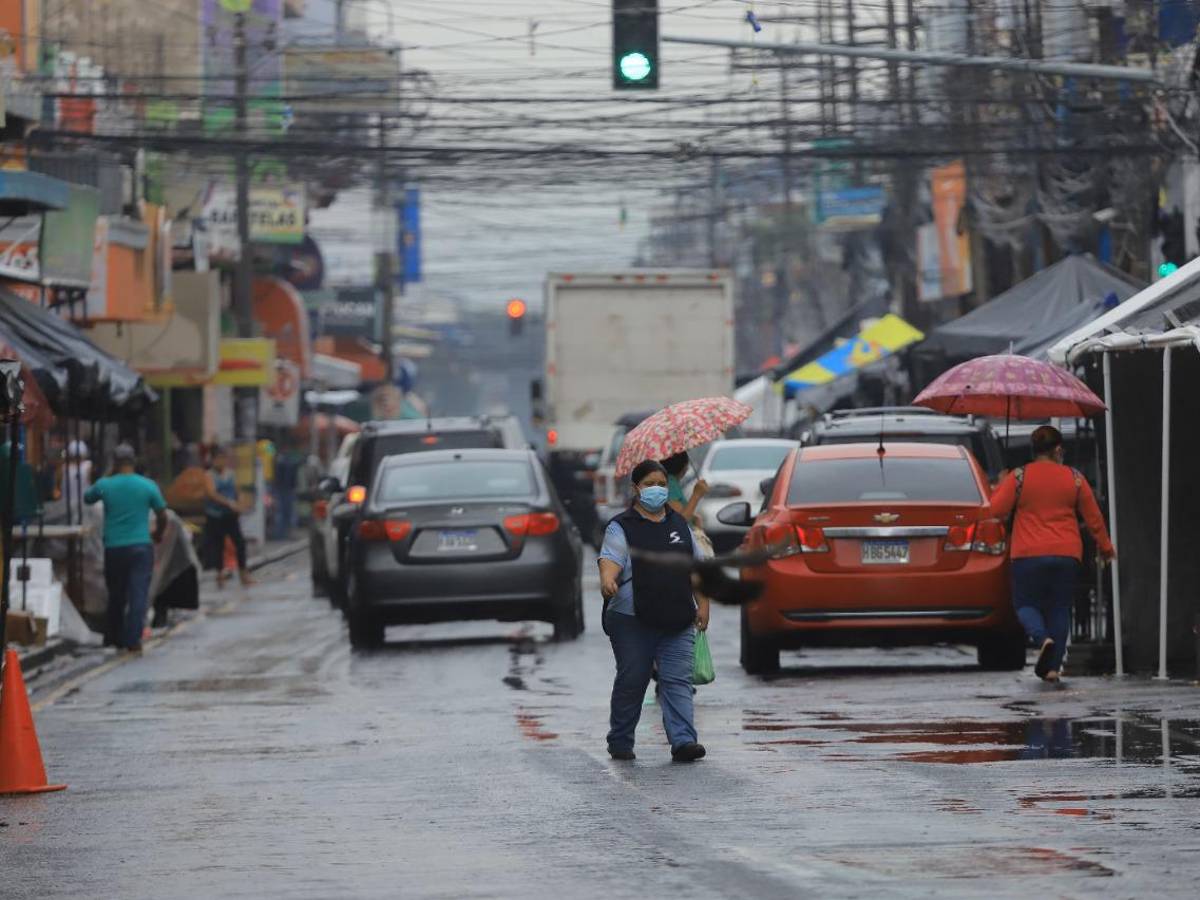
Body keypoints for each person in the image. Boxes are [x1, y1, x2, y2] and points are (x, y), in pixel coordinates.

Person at [599, 459, 710, 763]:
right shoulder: (621, 526)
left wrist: (704, 603)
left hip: (677, 617)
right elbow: (610, 559)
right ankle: (620, 739)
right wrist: (608, 579)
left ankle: (684, 741)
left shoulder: (679, 526)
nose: (657, 490)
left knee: (677, 681)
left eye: (662, 484)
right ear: (636, 489)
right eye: (649, 484)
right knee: (633, 679)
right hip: (631, 619)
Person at [990, 425, 1115, 683]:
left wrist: (1001, 484)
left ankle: (1041, 638)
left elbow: (996, 510)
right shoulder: (1075, 478)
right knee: (1059, 608)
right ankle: (1052, 668)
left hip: (1028, 554)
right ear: (1058, 450)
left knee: (1025, 604)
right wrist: (1106, 548)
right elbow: (1094, 519)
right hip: (1066, 555)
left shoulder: (1019, 477)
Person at [83, 444, 167, 653]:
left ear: (115, 462)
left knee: (117, 594)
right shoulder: (147, 485)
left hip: (114, 547)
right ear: (134, 461)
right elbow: (162, 514)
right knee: (138, 593)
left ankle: (114, 637)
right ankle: (133, 639)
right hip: (141, 546)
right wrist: (157, 533)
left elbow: (88, 497)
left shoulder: (106, 485)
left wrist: (108, 476)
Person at [203, 446, 253, 588]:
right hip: (215, 515)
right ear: (213, 460)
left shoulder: (231, 474)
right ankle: (219, 575)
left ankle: (244, 574)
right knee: (218, 545)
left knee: (240, 543)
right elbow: (212, 494)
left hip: (230, 515)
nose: (221, 461)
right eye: (218, 458)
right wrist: (230, 503)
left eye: (223, 458)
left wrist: (241, 503)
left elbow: (239, 491)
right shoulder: (209, 475)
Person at [661, 451, 708, 522]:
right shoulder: (670, 484)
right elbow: (680, 521)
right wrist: (696, 495)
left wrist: (693, 517)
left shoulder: (670, 481)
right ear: (684, 466)